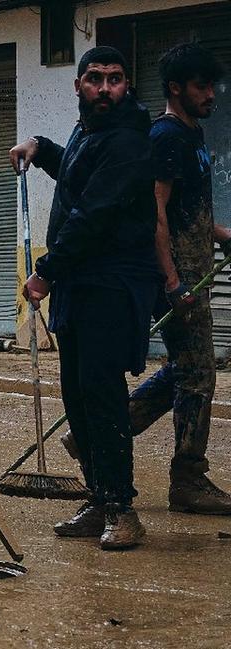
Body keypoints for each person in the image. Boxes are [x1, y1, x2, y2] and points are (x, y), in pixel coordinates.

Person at [10, 46, 161, 550]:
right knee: (76, 392)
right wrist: (42, 147)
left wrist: (46, 272)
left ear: (126, 87)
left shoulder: (129, 140)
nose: (104, 88)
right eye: (94, 79)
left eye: (115, 79)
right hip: (80, 284)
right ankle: (98, 500)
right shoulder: (87, 131)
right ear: (78, 86)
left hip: (111, 285)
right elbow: (76, 178)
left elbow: (94, 213)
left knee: (102, 393)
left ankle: (122, 507)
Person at [120, 43, 231, 515]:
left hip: (194, 268)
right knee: (199, 374)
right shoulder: (165, 136)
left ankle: (100, 435)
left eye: (212, 85)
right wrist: (172, 283)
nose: (211, 94)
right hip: (180, 279)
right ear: (175, 88)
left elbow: (189, 210)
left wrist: (222, 234)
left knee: (185, 371)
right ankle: (188, 479)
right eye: (201, 86)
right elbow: (156, 214)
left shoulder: (193, 133)